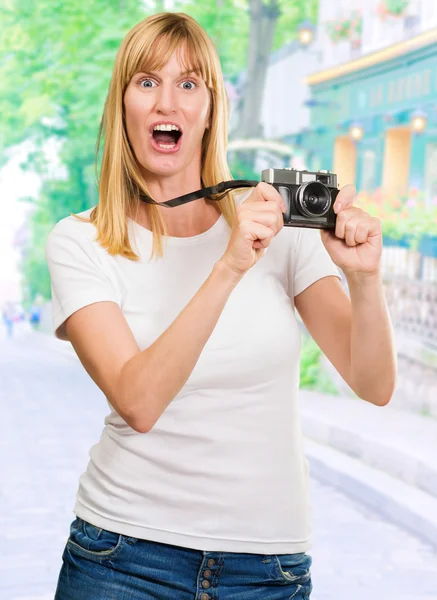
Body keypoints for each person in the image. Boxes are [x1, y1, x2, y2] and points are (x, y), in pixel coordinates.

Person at [45, 12, 397, 600]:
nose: (168, 103)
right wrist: (229, 265)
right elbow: (138, 401)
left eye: (189, 84)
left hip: (268, 570)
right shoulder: (81, 240)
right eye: (147, 82)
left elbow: (374, 383)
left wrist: (364, 280)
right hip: (123, 559)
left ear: (210, 109)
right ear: (122, 105)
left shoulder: (282, 230)